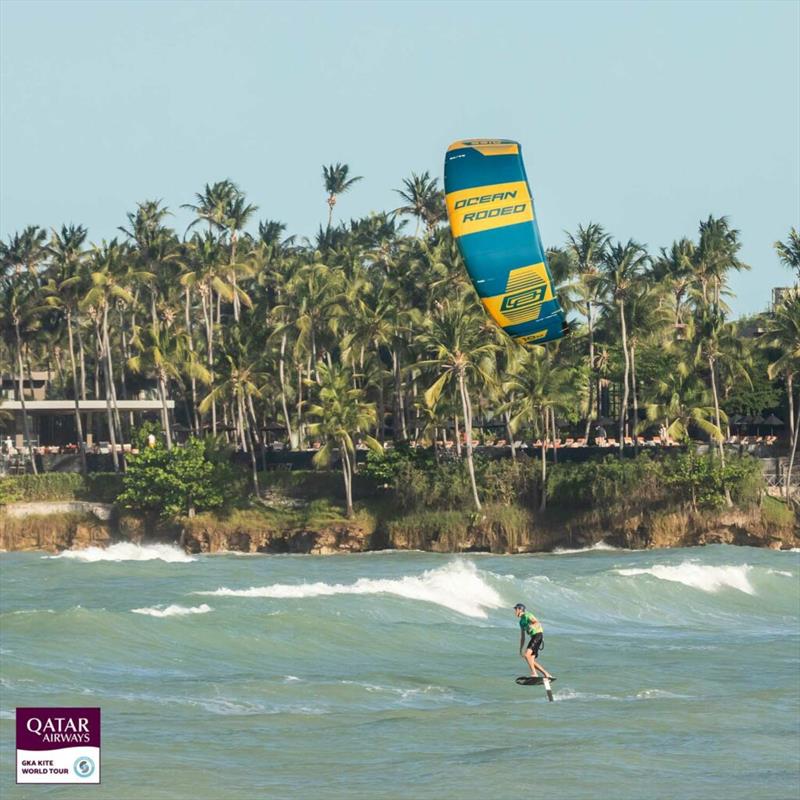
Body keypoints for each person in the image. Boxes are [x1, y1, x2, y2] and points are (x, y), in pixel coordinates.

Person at [513, 603, 554, 680]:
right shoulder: (521, 622)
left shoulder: (527, 615)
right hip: (534, 637)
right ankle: (547, 674)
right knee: (531, 660)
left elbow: (537, 622)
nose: (514, 611)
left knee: (527, 655)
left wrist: (531, 626)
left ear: (520, 609)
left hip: (538, 635)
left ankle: (534, 673)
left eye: (515, 609)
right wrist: (521, 649)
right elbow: (523, 637)